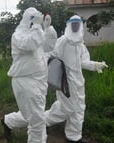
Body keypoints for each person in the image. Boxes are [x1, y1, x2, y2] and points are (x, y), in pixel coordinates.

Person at [45, 15, 108, 143]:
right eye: (72, 24)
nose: (75, 26)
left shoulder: (80, 43)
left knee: (79, 108)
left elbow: (84, 61)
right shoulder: (63, 41)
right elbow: (51, 55)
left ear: (80, 26)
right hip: (65, 81)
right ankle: (42, 121)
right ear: (69, 25)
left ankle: (74, 136)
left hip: (79, 81)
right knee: (66, 109)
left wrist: (95, 65)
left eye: (77, 24)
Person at [1, 7, 48, 143]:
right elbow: (30, 45)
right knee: (37, 120)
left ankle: (7, 121)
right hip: (26, 81)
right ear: (27, 19)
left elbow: (46, 49)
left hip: (39, 81)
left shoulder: (35, 32)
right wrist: (38, 25)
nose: (35, 21)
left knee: (34, 115)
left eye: (37, 18)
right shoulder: (18, 35)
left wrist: (47, 28)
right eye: (33, 18)